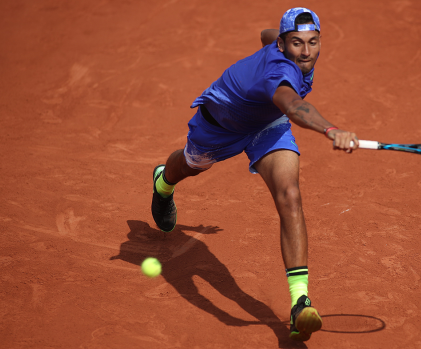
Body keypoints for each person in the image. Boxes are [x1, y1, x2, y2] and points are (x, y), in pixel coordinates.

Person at [150, 7, 358, 341]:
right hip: (220, 126)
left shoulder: (279, 46)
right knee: (189, 166)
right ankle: (163, 183)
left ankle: (300, 302)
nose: (306, 52)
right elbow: (294, 106)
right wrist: (331, 130)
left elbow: (265, 36)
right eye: (296, 43)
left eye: (313, 42)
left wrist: (271, 38)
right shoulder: (278, 73)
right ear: (282, 45)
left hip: (266, 125)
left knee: (289, 195)